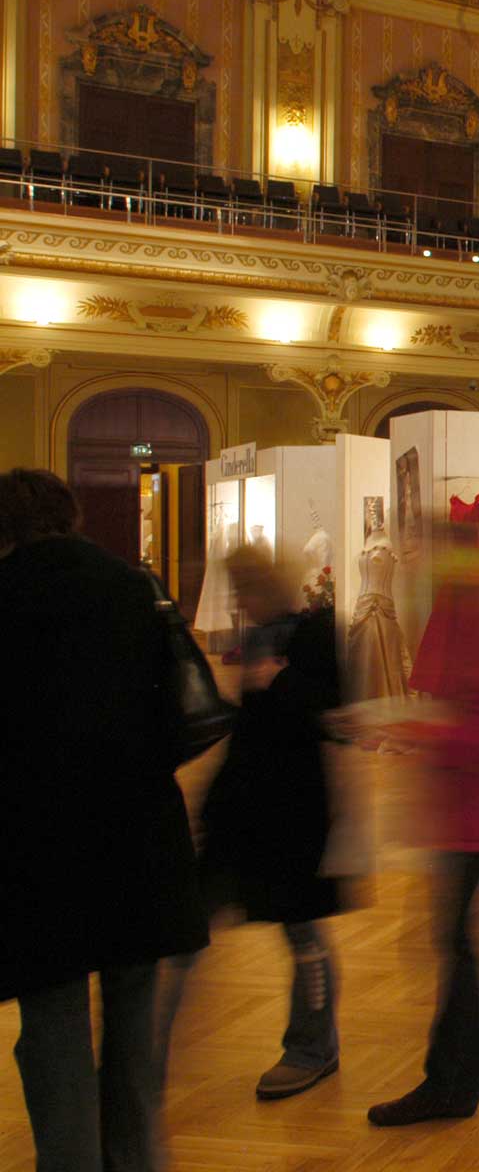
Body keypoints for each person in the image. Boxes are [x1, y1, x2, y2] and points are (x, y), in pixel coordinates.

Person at [1, 468, 207, 1171]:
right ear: (73, 516)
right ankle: (134, 1161)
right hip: (137, 836)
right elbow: (181, 717)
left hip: (36, 846)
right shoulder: (134, 589)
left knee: (53, 1025)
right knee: (132, 1025)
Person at [159, 543, 348, 1103]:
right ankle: (148, 1051)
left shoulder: (312, 634)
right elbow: (254, 730)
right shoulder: (265, 636)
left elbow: (328, 714)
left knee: (303, 933)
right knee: (187, 928)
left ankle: (313, 1047)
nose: (239, 599)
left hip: (294, 815)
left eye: (245, 587)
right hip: (242, 813)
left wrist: (276, 684)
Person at [367, 520, 479, 1127]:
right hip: (472, 807)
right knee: (455, 941)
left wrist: (422, 732)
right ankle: (449, 1081)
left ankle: (451, 1085)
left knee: (458, 943)